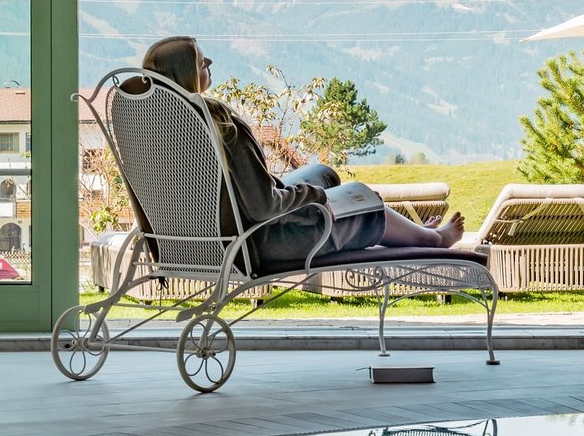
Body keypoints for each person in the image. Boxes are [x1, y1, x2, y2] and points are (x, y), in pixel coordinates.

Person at [138, 36, 466, 270]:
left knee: (323, 174)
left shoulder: (154, 129)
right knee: (364, 202)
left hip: (195, 241)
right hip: (252, 243)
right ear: (185, 75)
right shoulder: (219, 125)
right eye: (199, 60)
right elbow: (263, 205)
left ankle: (413, 231)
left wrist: (309, 191)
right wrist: (316, 199)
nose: (208, 62)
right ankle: (433, 239)